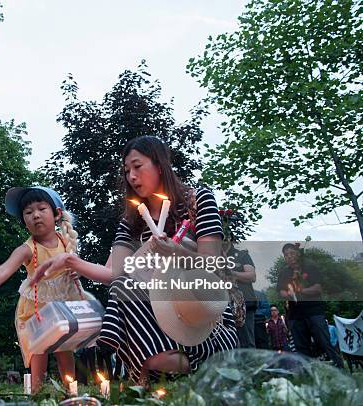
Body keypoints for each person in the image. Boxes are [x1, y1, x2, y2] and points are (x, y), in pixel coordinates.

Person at [30, 136, 238, 385]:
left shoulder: (197, 201)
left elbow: (211, 263)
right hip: (156, 313)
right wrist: (68, 260)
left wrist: (175, 252)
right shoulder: (131, 221)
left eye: (137, 167)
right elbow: (114, 273)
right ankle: (157, 368)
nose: (131, 176)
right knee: (123, 286)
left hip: (200, 309)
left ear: (159, 164)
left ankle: (198, 362)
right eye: (127, 170)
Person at [0, 186, 92, 393]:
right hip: (36, 312)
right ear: (24, 221)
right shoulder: (27, 249)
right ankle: (35, 392)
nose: (35, 215)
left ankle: (70, 393)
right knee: (39, 353)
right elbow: (2, 270)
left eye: (41, 208)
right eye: (28, 212)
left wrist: (77, 272)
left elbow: (79, 266)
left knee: (65, 351)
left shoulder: (66, 242)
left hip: (62, 308)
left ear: (57, 214)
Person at [278, 243, 344, 368]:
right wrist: (288, 294)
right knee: (300, 346)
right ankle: (307, 373)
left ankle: (338, 367)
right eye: (286, 255)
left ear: (298, 254)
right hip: (295, 314)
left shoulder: (310, 267)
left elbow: (318, 288)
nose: (289, 257)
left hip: (314, 311)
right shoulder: (284, 272)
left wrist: (300, 291)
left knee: (324, 341)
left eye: (292, 253)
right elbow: (281, 290)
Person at [222, 237, 257, 347]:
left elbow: (252, 276)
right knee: (228, 343)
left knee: (246, 343)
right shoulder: (213, 256)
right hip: (222, 306)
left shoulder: (242, 255)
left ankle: (249, 364)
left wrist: (231, 273)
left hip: (245, 304)